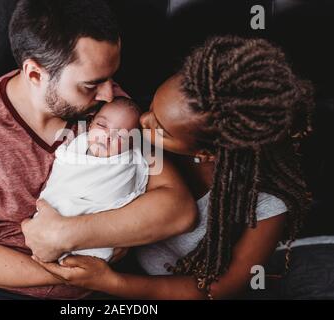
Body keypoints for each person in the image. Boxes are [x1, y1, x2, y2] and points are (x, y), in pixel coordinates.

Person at [0, 0, 196, 300]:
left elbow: (179, 210)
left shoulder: (114, 112)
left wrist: (67, 235)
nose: (109, 93)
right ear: (35, 74)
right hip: (2, 290)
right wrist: (67, 272)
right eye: (91, 84)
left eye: (111, 76)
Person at [31, 36, 315, 300]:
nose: (142, 121)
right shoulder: (142, 138)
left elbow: (221, 287)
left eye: (160, 128)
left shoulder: (265, 205)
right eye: (152, 106)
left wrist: (110, 283)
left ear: (205, 153)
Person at [39, 97, 149, 262]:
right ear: (90, 124)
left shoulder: (126, 164)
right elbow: (61, 178)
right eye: (102, 125)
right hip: (55, 214)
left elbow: (120, 200)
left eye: (121, 136)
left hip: (94, 227)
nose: (107, 136)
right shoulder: (73, 148)